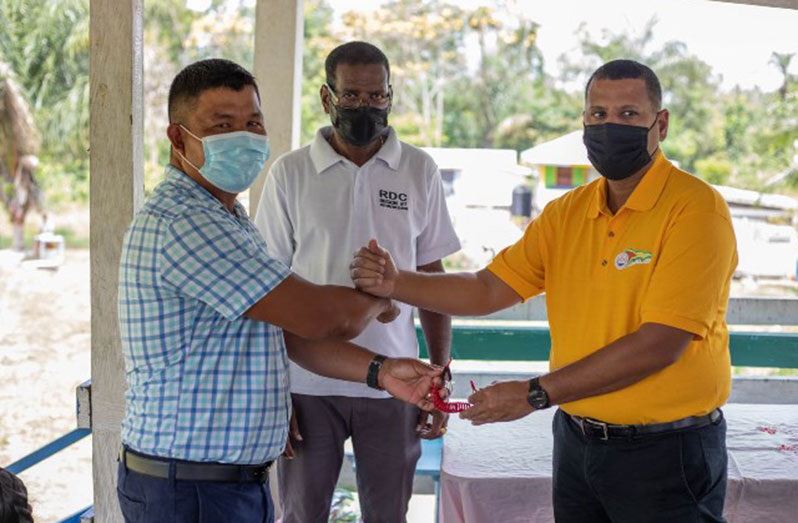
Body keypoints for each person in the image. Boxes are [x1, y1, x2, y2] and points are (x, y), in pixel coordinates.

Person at [351, 59, 737, 522]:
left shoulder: (695, 210)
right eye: (597, 114)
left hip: (666, 452)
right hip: (577, 441)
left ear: (662, 123)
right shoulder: (568, 213)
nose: (610, 126)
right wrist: (398, 283)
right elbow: (487, 288)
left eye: (628, 115)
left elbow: (660, 344)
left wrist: (535, 393)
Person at [116, 58, 442, 523]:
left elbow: (285, 334)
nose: (244, 137)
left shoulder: (230, 221)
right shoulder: (185, 222)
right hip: (188, 488)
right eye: (222, 125)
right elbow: (321, 318)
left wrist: (383, 371)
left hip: (223, 483)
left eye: (253, 123)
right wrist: (387, 293)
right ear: (178, 137)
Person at [254, 41, 460, 522]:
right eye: (351, 96)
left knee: (388, 515)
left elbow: (432, 278)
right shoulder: (291, 173)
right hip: (307, 384)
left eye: (376, 96)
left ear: (391, 96)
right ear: (327, 98)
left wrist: (440, 371)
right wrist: (272, 392)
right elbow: (266, 291)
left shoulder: (418, 169)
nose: (365, 107)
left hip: (397, 383)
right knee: (301, 515)